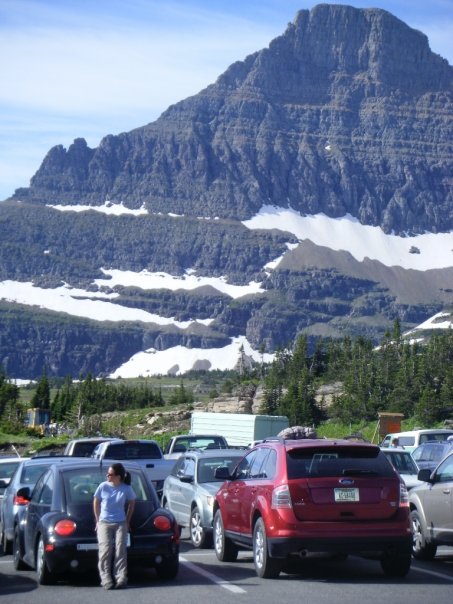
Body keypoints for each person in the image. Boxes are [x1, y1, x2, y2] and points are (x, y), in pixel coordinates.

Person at [93, 463, 136, 590]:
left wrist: (127, 521)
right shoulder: (103, 486)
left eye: (110, 474)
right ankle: (106, 578)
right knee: (105, 550)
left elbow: (132, 503)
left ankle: (121, 577)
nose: (107, 476)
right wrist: (97, 520)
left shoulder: (126, 488)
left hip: (120, 522)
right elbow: (96, 501)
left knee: (120, 549)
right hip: (104, 522)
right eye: (107, 473)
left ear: (118, 476)